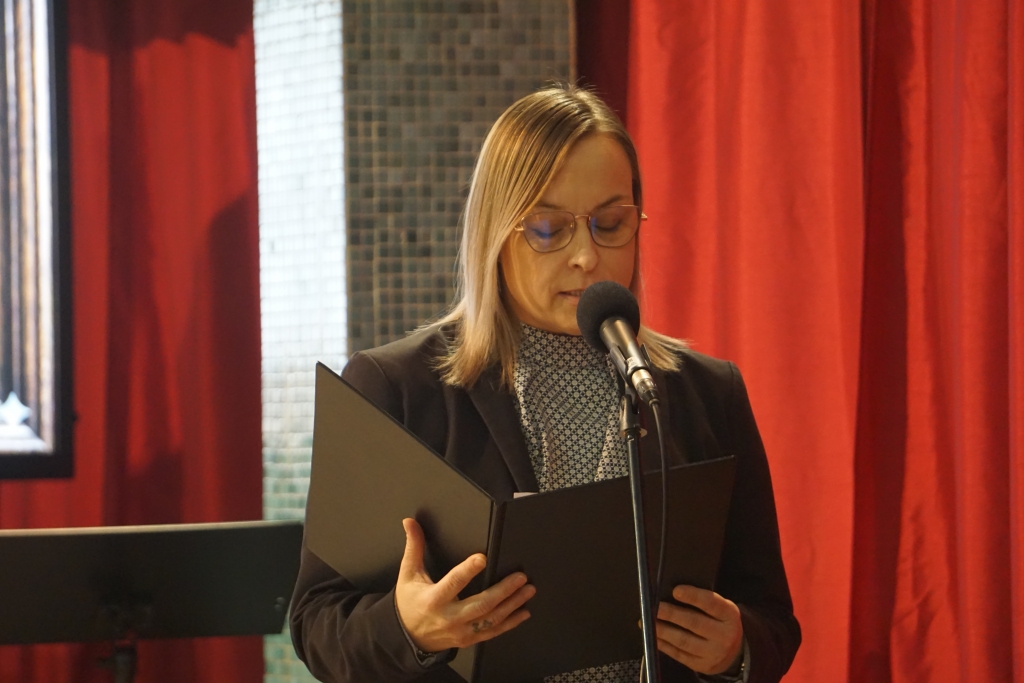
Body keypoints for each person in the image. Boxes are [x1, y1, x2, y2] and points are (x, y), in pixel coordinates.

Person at [290, 85, 800, 683]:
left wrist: (735, 649)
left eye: (611, 223)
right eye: (549, 229)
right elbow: (317, 622)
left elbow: (771, 620)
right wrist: (411, 629)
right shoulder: (394, 389)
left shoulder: (706, 392)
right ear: (496, 232)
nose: (587, 256)